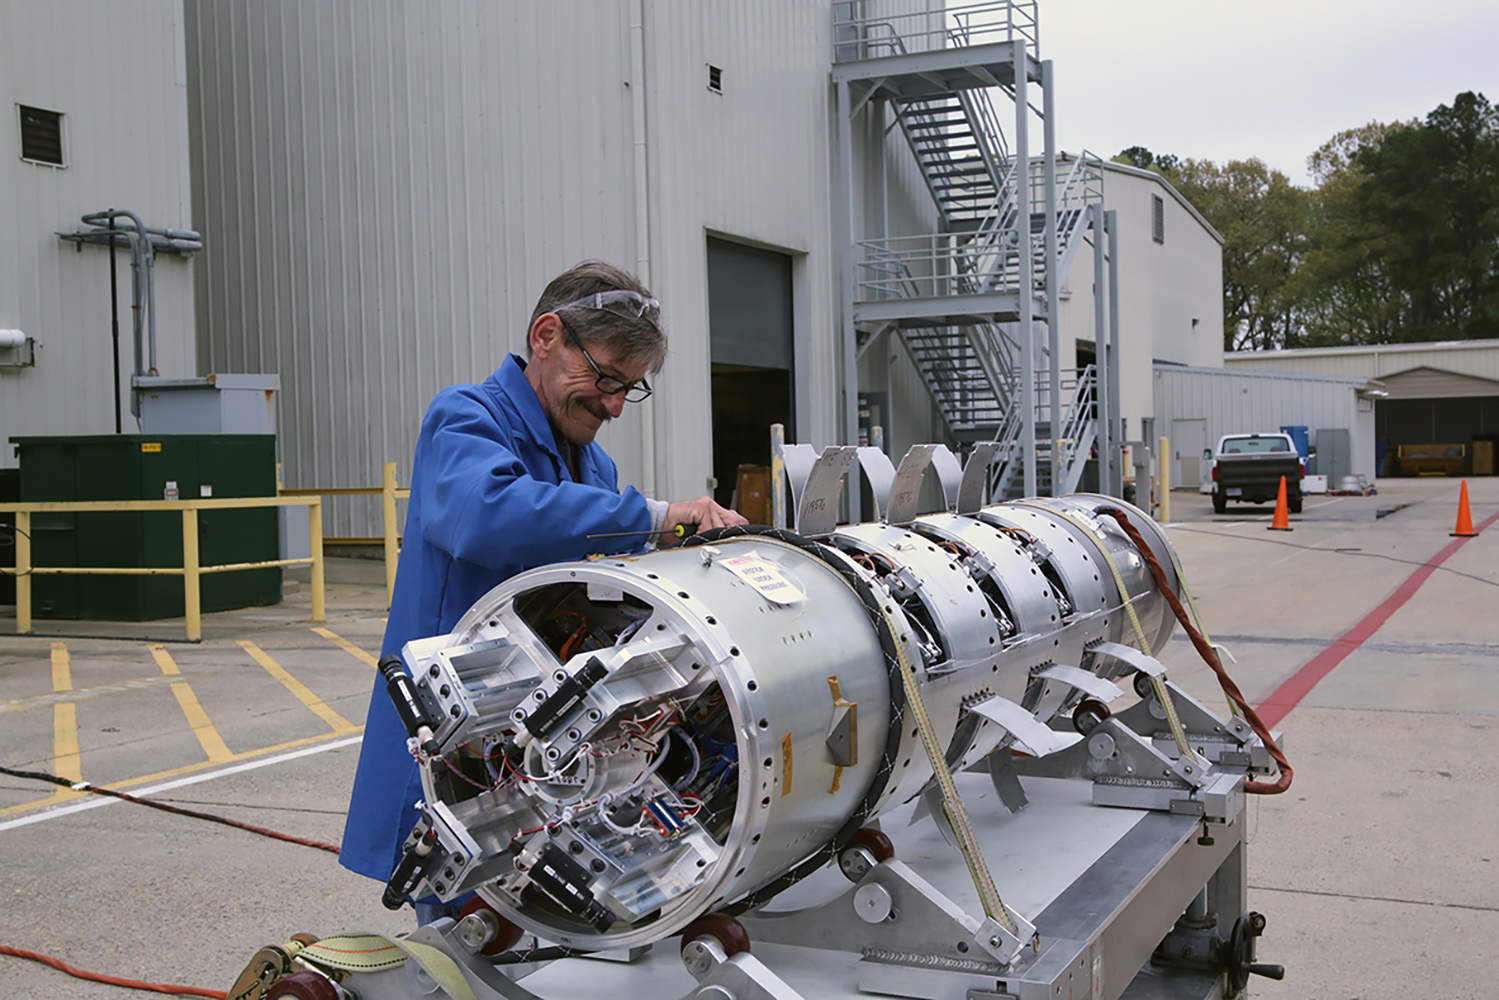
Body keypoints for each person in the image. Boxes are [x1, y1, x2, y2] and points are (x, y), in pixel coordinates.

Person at [339, 261, 746, 910]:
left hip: (547, 739)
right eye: (605, 378)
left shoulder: (592, 461)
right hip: (459, 741)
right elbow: (486, 516)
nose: (613, 405)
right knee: (467, 922)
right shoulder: (467, 418)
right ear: (546, 336)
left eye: (628, 390)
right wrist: (654, 515)